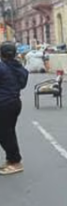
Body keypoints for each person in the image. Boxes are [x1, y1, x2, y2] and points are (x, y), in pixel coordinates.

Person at [0, 42, 29, 175]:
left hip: (4, 105)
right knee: (7, 133)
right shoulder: (18, 67)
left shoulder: (2, 67)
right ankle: (11, 159)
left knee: (6, 134)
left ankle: (15, 161)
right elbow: (22, 85)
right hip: (14, 103)